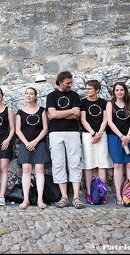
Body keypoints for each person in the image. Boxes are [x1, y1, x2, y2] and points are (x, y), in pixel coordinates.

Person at [46, 71, 84, 209]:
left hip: (72, 132)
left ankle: (76, 197)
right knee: (58, 164)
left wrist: (57, 114)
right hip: (55, 133)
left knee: (75, 163)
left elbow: (76, 115)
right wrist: (69, 111)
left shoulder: (74, 95)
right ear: (60, 82)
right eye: (68, 82)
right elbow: (52, 114)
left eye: (71, 82)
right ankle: (64, 197)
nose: (70, 85)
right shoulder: (51, 96)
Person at [15, 87, 51, 210]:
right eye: (27, 94)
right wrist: (26, 143)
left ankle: (40, 199)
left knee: (40, 169)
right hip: (24, 143)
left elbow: (45, 128)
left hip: (39, 143)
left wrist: (35, 142)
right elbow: (18, 130)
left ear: (36, 96)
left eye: (31, 94)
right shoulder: (20, 112)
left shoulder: (41, 110)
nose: (29, 96)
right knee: (26, 169)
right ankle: (25, 199)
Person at [80, 79, 112, 205]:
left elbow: (105, 119)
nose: (87, 91)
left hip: (101, 134)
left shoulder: (103, 102)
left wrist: (99, 133)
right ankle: (89, 192)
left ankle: (101, 192)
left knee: (102, 164)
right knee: (88, 165)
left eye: (89, 89)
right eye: (86, 89)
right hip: (88, 135)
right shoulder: (83, 102)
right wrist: (93, 133)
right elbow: (83, 119)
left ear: (97, 90)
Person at [106, 82, 130, 205]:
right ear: (114, 92)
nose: (119, 92)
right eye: (117, 90)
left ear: (125, 91)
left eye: (122, 90)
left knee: (129, 165)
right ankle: (119, 195)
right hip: (115, 137)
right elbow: (110, 122)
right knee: (118, 165)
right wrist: (121, 136)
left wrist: (128, 136)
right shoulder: (110, 104)